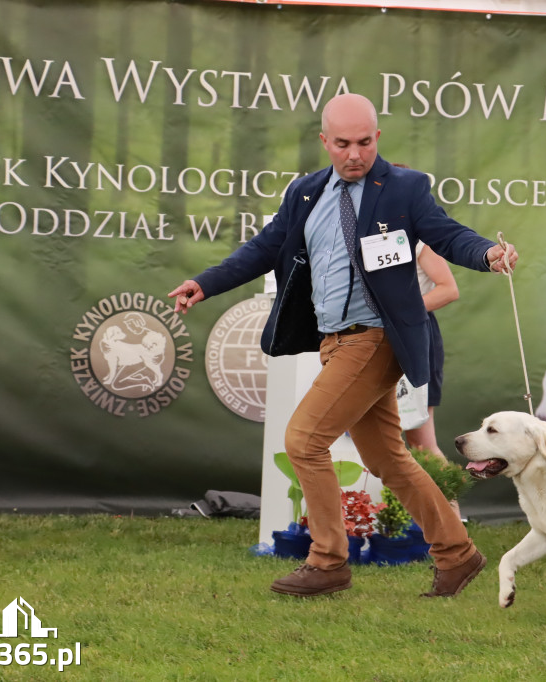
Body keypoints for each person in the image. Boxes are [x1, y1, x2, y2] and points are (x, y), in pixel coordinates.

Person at [168, 93, 518, 598]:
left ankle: (328, 561)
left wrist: (488, 253)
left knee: (304, 440)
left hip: (376, 339)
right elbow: (264, 247)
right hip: (333, 342)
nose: (354, 154)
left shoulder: (405, 188)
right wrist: (206, 283)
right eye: (342, 144)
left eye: (364, 142)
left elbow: (447, 234)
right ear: (324, 142)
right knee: (389, 460)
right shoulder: (305, 192)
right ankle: (458, 553)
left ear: (377, 137)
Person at [404, 241, 464, 519]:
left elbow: (448, 289)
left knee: (421, 441)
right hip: (368, 336)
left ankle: (451, 523)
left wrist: (396, 313)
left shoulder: (418, 234)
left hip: (414, 338)